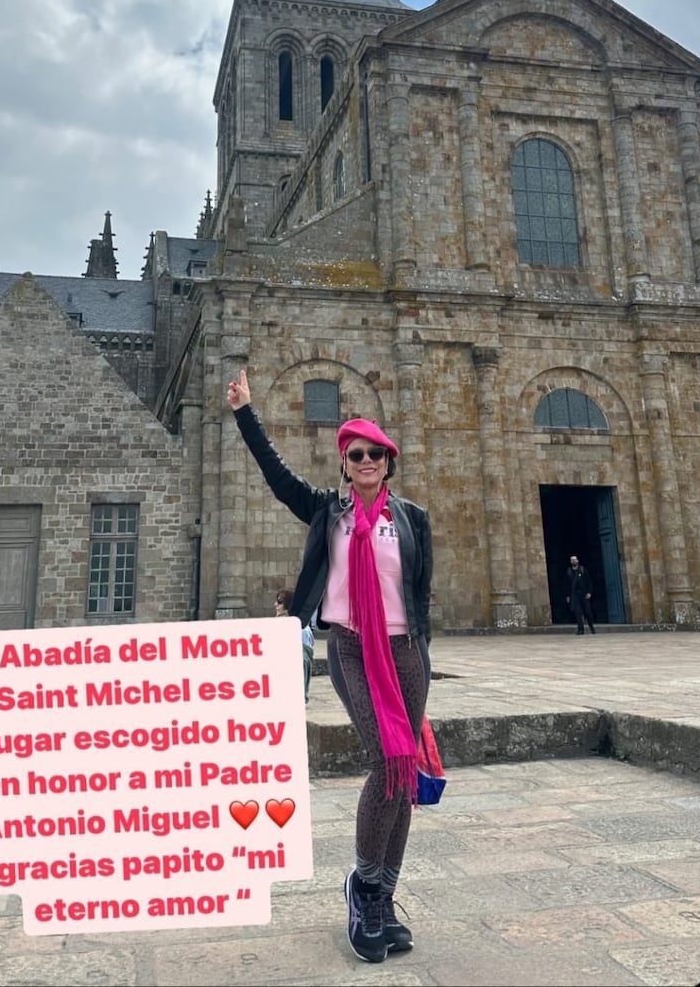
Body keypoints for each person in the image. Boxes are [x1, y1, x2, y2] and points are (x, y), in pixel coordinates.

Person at [227, 369, 432, 964]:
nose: (365, 461)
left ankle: (385, 898)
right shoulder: (329, 514)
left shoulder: (412, 520)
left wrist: (422, 651)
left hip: (406, 653)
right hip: (350, 647)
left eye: (375, 453)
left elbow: (420, 593)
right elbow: (276, 477)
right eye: (355, 454)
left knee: (405, 775)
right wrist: (245, 412)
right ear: (345, 466)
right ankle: (363, 888)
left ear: (388, 464)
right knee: (385, 760)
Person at [275, 587, 314, 703]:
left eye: (280, 602)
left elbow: (305, 659)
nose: (276, 604)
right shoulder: (280, 623)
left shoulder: (301, 629)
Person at [566, 554, 596, 634]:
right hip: (574, 594)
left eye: (574, 559)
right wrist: (568, 596)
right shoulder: (569, 572)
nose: (573, 561)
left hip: (584, 593)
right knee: (577, 612)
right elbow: (566, 585)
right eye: (572, 560)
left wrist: (589, 592)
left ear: (578, 561)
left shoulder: (583, 570)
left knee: (587, 611)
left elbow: (589, 582)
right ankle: (580, 629)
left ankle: (591, 627)